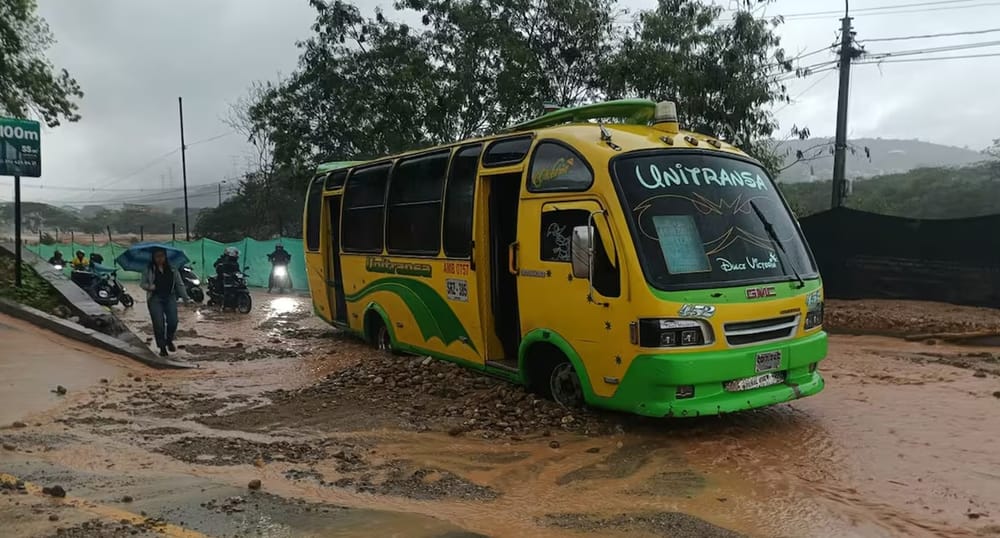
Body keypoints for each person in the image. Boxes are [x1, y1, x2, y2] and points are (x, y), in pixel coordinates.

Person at [140, 247, 191, 357]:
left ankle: (169, 340)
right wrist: (149, 287)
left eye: (162, 256)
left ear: (165, 257)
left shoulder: (172, 269)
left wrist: (186, 298)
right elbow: (142, 284)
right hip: (155, 298)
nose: (160, 259)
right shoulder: (149, 269)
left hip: (170, 297)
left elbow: (179, 284)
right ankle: (162, 347)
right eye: (157, 256)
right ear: (153, 257)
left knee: (173, 321)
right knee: (159, 324)